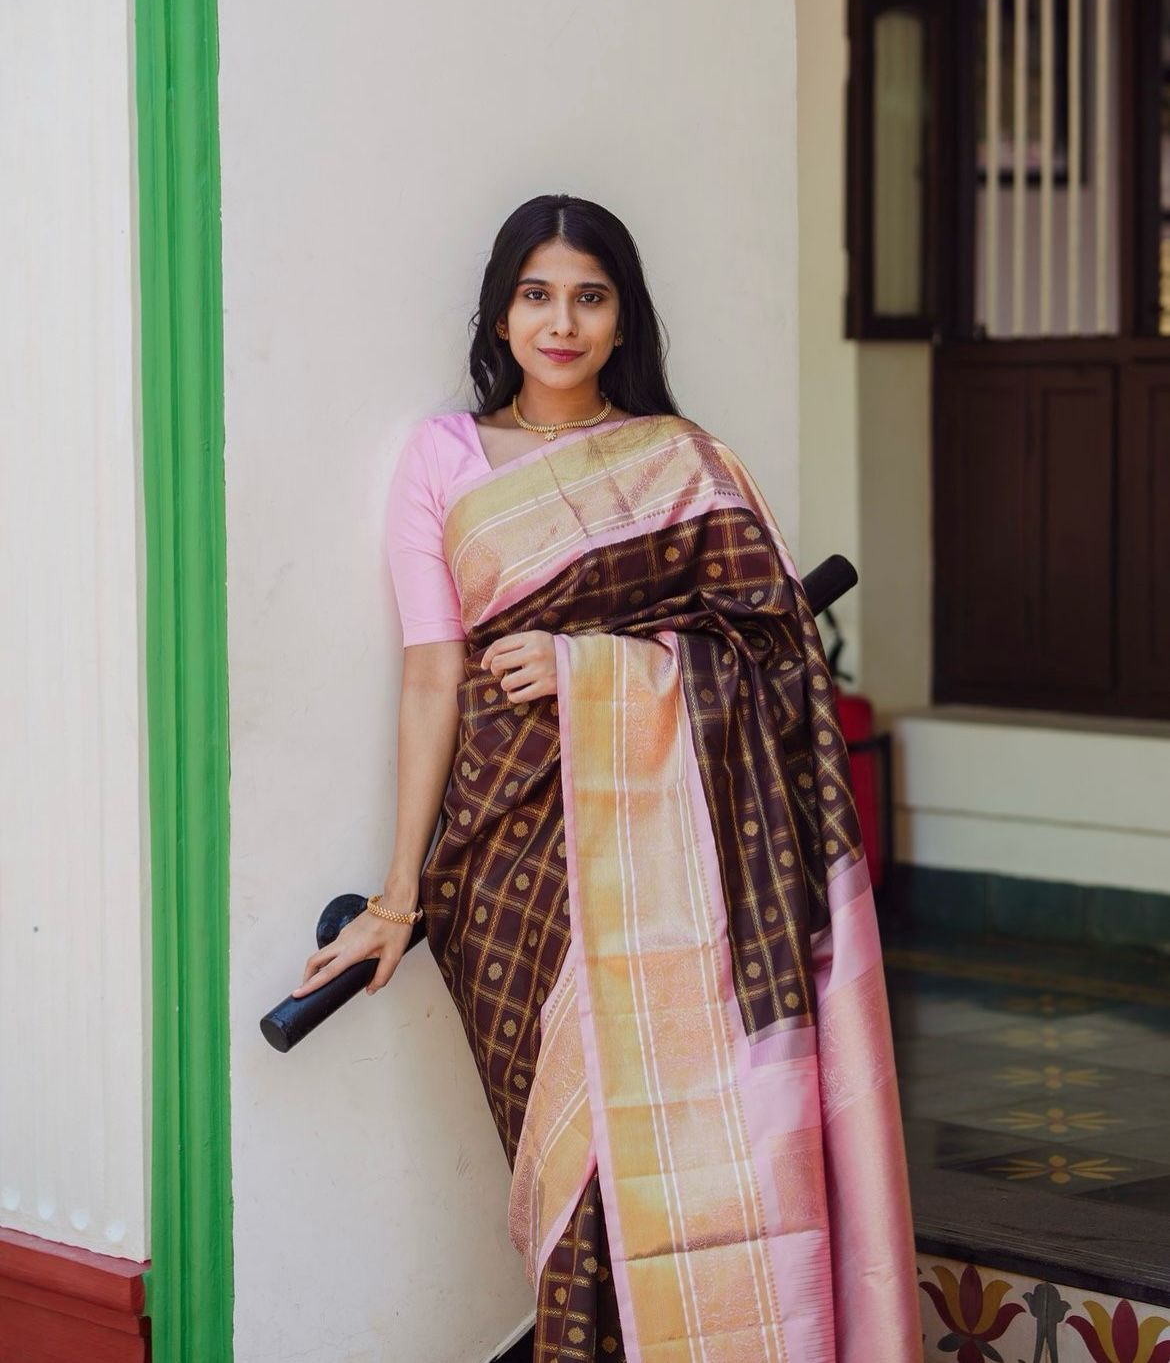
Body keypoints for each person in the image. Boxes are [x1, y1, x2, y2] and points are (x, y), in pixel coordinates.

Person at [293, 193, 922, 1363]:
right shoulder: (446, 456)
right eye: (537, 293)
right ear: (499, 309)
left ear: (623, 316)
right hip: (514, 864)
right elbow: (434, 677)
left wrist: (600, 669)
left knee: (709, 1150)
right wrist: (397, 897)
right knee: (585, 1175)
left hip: (703, 867)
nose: (562, 321)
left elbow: (778, 652)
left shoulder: (680, 460)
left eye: (589, 295)